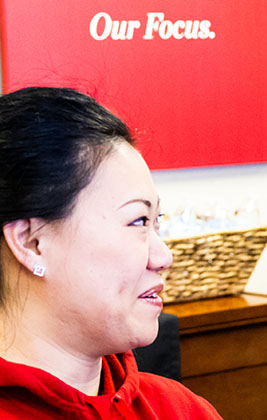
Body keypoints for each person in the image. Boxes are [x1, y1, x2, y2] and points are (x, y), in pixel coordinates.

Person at [0, 87, 221, 418]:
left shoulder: (179, 409)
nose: (163, 258)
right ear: (32, 242)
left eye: (155, 221)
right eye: (137, 221)